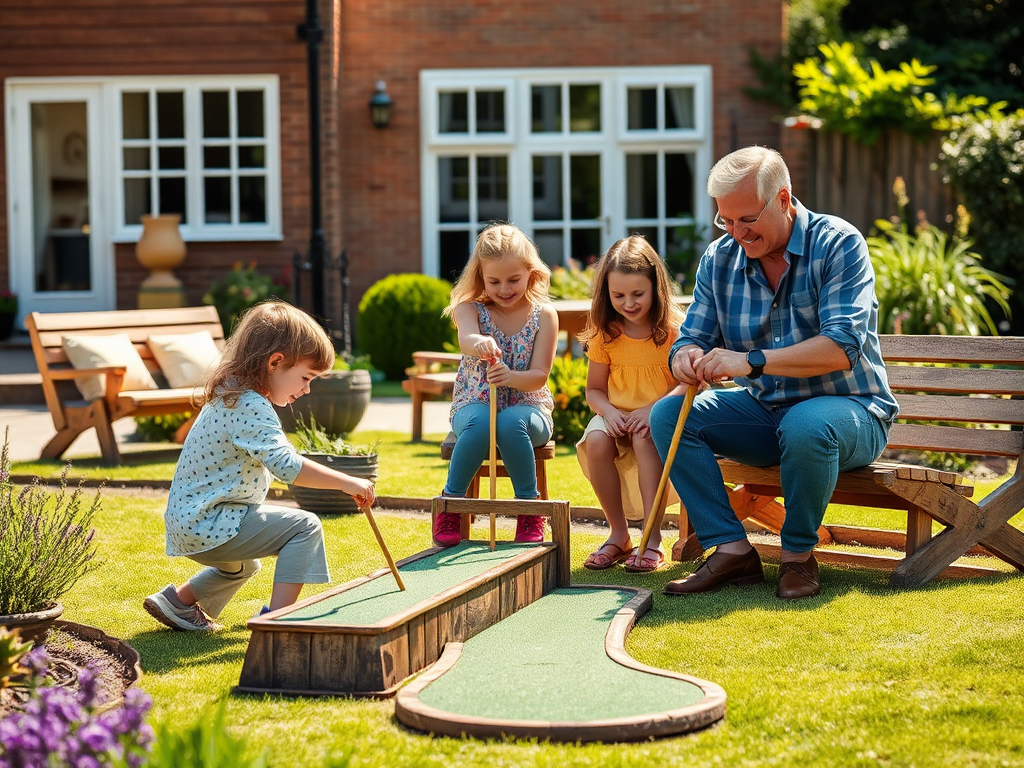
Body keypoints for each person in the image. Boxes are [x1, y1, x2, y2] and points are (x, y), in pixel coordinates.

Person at [650, 146, 897, 599]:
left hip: (853, 412)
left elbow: (842, 347)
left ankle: (798, 556)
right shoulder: (720, 258)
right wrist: (683, 357)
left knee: (807, 424)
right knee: (666, 416)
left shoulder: (839, 243)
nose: (736, 232)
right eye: (725, 220)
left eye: (746, 219)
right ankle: (730, 551)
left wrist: (750, 361)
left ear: (783, 199)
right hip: (767, 411)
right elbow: (692, 336)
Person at [143, 301, 376, 631]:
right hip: (209, 521)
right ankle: (276, 624)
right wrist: (347, 481)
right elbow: (287, 466)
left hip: (192, 522)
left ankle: (178, 603)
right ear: (275, 362)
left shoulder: (232, 395)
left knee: (242, 566)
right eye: (306, 377)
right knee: (304, 527)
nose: (307, 389)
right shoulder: (250, 404)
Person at [433, 223, 558, 547]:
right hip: (474, 401)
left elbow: (540, 375)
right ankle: (451, 504)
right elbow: (466, 339)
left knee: (509, 421)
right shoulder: (469, 309)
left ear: (531, 273)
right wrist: (480, 343)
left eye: (513, 279)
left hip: (529, 408)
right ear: (480, 277)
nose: (504, 288)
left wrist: (512, 378)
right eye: (494, 281)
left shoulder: (544, 314)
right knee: (481, 422)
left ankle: (528, 509)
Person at [576, 236, 684, 573]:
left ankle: (651, 539)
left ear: (656, 287)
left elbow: (690, 383)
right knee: (595, 440)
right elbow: (593, 390)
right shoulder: (605, 334)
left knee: (643, 436)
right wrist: (607, 412)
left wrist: (654, 410)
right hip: (614, 413)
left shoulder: (672, 332)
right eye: (618, 295)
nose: (629, 303)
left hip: (660, 415)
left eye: (638, 294)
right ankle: (619, 534)